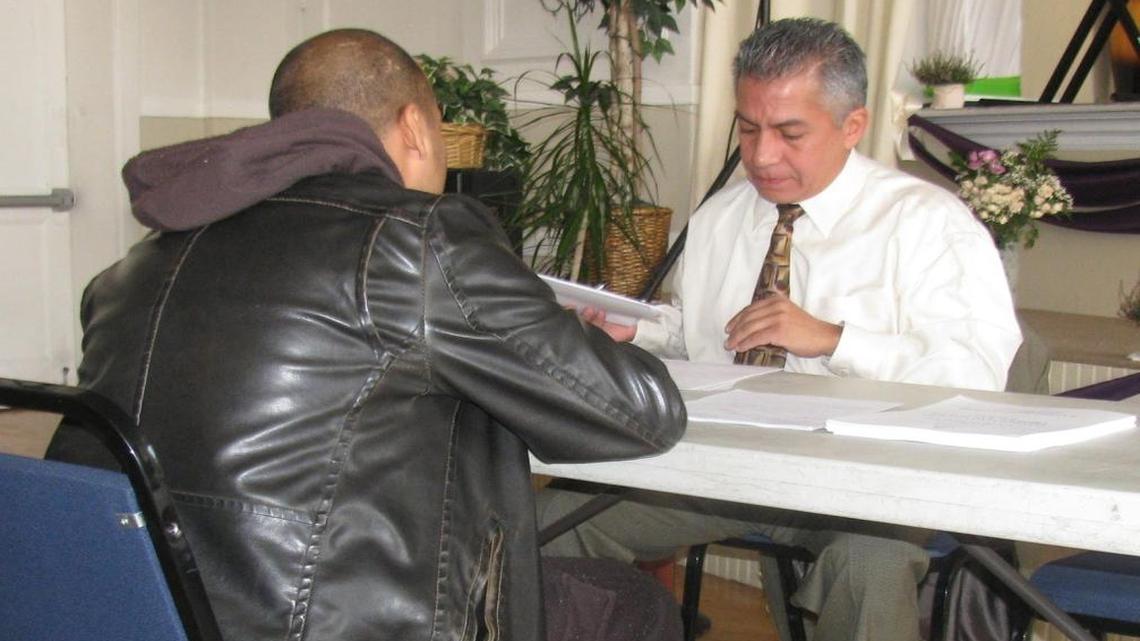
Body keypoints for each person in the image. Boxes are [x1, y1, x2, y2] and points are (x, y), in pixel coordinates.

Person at [46, 29, 687, 641]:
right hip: (332, 623)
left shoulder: (137, 265)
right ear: (415, 126)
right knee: (633, 605)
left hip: (137, 615)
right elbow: (642, 413)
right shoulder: (417, 239)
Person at [540, 17, 1022, 641]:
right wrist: (642, 333)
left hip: (870, 480)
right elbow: (706, 337)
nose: (762, 155)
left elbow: (977, 373)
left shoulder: (928, 223)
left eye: (790, 133)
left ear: (852, 125)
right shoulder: (720, 217)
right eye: (748, 128)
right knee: (552, 520)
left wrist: (835, 341)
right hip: (727, 467)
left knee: (869, 566)